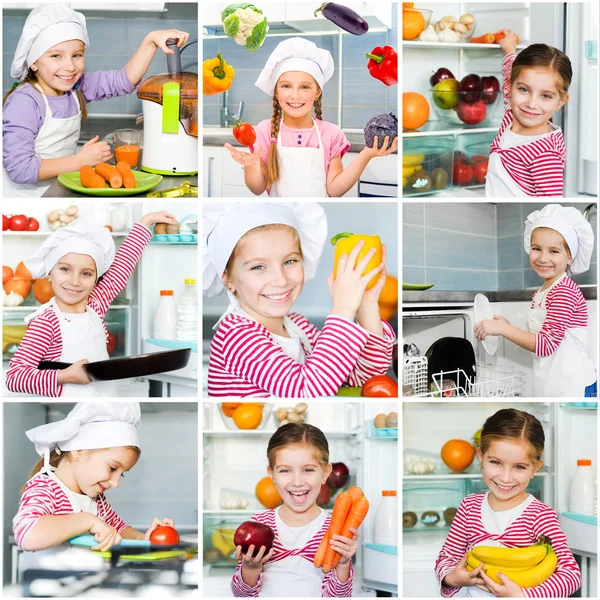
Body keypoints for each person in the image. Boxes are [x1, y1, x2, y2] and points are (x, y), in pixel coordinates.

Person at [203, 202, 396, 397]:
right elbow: (308, 391)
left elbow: (363, 380)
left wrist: (366, 304)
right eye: (258, 267)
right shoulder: (237, 336)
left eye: (290, 261)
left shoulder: (298, 326)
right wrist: (344, 307)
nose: (280, 280)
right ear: (227, 278)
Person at [3, 3, 189, 197]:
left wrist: (150, 41)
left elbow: (122, 81)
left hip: (56, 191)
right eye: (56, 56)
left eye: (77, 55)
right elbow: (20, 169)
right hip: (24, 202)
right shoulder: (24, 102)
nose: (69, 66)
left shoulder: (76, 87)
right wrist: (79, 160)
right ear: (33, 62)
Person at [6, 210, 178, 397]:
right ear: (49, 272)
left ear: (97, 278)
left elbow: (121, 267)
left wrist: (146, 223)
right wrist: (64, 375)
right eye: (65, 269)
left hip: (103, 407)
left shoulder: (95, 305)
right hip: (70, 414)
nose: (75, 281)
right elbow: (15, 377)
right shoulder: (46, 322)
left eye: (86, 273)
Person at [223, 37, 398, 197]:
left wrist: (366, 154)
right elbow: (257, 188)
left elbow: (334, 190)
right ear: (276, 92)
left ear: (317, 92)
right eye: (286, 86)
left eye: (305, 87)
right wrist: (251, 165)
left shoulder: (331, 134)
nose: (295, 95)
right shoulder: (264, 131)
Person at [435, 408, 581, 598]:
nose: (505, 478)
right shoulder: (469, 507)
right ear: (481, 456)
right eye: (495, 462)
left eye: (519, 467)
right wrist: (452, 578)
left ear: (535, 467)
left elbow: (570, 575)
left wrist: (523, 595)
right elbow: (447, 557)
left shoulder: (540, 515)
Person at [13, 403, 175, 572]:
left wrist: (144, 539)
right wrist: (87, 520)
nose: (116, 483)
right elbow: (27, 534)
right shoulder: (45, 488)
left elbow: (118, 530)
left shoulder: (96, 500)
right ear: (78, 451)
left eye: (122, 474)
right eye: (112, 468)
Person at [475, 204, 596, 397]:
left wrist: (504, 329)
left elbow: (545, 344)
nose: (543, 258)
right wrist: (507, 325)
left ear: (570, 257)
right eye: (536, 248)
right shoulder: (544, 290)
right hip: (553, 381)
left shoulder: (564, 291)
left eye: (554, 251)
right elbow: (542, 334)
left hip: (573, 384)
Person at [232, 423, 358, 597]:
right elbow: (242, 595)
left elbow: (339, 597)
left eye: (308, 470)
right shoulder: (259, 523)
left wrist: (343, 563)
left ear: (325, 473)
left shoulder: (335, 529)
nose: (297, 481)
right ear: (272, 475)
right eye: (285, 470)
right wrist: (250, 567)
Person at [485, 31, 572, 197]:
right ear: (511, 88)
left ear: (560, 102)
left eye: (546, 96)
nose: (531, 104)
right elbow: (509, 72)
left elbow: (551, 201)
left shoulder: (545, 154)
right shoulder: (512, 112)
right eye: (524, 89)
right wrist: (510, 49)